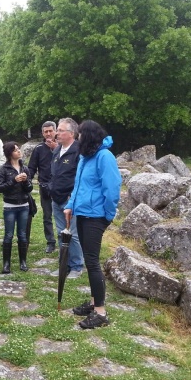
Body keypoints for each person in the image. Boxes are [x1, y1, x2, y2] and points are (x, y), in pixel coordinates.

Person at [64, 120, 122, 329]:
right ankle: (93, 302)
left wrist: (107, 215)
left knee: (92, 261)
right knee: (90, 262)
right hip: (82, 213)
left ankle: (100, 312)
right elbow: (78, 186)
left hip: (96, 216)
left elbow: (112, 188)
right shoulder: (85, 157)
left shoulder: (104, 157)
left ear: (88, 136)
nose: (77, 138)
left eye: (80, 135)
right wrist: (70, 205)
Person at [50, 117, 84, 278]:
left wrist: (73, 196)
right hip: (56, 198)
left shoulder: (78, 150)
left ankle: (76, 266)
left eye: (61, 130)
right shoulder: (57, 150)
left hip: (70, 199)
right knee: (60, 233)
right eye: (57, 130)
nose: (57, 133)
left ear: (71, 133)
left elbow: (80, 176)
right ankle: (64, 265)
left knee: (73, 234)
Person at [0, 142, 33, 273]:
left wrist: (25, 181)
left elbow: (30, 188)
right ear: (9, 153)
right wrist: (14, 180)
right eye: (16, 150)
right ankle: (6, 264)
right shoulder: (4, 169)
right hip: (9, 206)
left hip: (24, 205)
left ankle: (23, 262)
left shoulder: (25, 168)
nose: (19, 151)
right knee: (9, 235)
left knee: (22, 235)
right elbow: (0, 188)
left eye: (18, 149)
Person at [27, 121, 58, 253]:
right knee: (47, 215)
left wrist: (56, 148)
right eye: (46, 132)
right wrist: (26, 181)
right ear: (42, 133)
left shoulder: (63, 147)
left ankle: (65, 240)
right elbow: (32, 168)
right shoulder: (39, 148)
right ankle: (50, 241)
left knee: (63, 215)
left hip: (61, 187)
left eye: (51, 131)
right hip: (44, 186)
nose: (49, 134)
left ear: (55, 131)